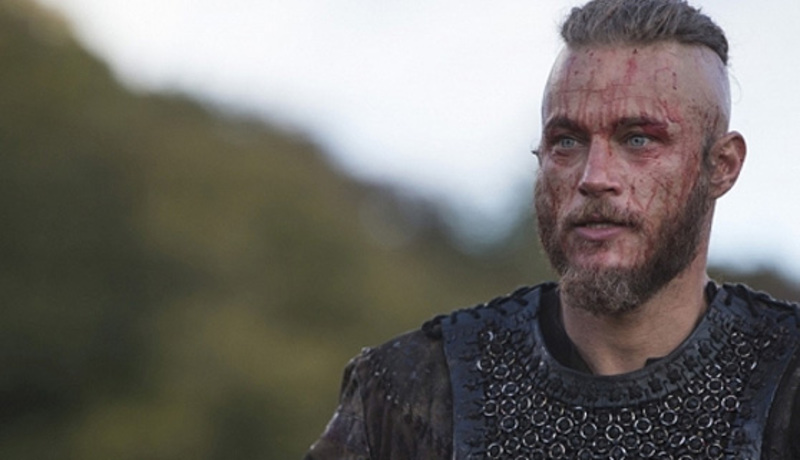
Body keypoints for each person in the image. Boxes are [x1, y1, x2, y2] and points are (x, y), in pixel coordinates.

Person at [305, 0, 800, 458]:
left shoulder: (788, 382)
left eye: (638, 139)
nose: (594, 177)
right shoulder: (411, 394)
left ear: (722, 166)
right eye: (567, 141)